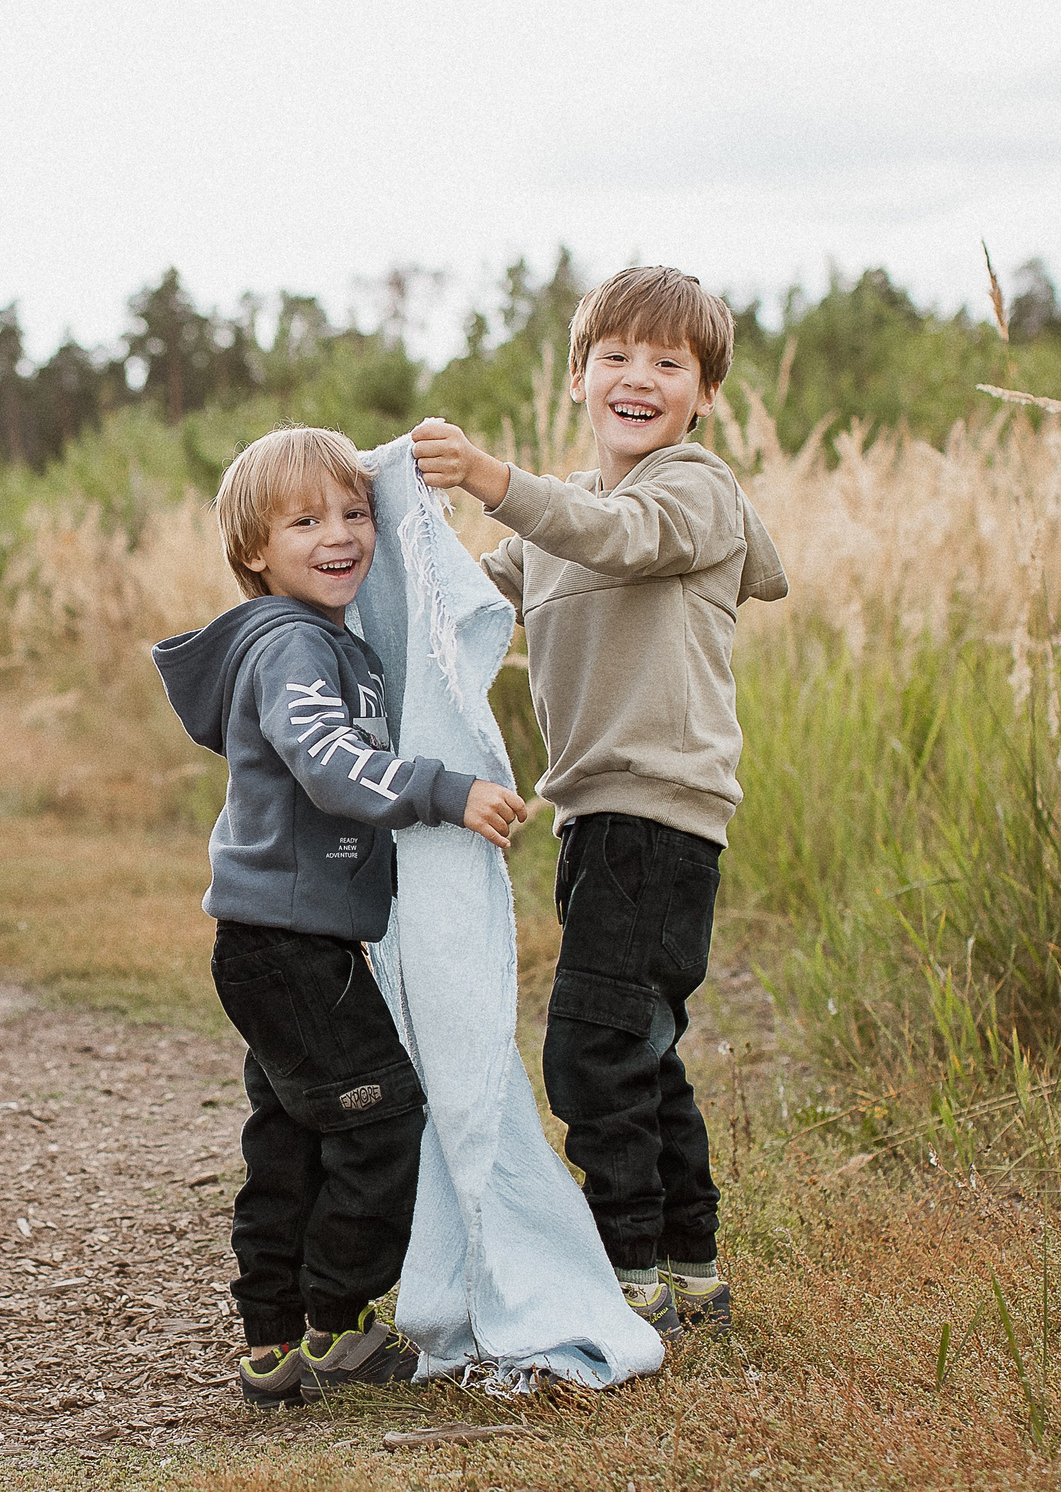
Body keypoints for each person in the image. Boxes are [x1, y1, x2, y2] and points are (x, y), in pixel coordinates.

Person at [411, 265, 789, 1340]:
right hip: (593, 820)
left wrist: (491, 475)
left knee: (589, 1047)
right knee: (638, 1044)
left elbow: (617, 537)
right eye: (616, 356)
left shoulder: (695, 489)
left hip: (660, 819)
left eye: (668, 362)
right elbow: (478, 606)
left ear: (702, 391)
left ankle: (627, 1268)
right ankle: (689, 1263)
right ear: (579, 374)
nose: (639, 377)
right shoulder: (556, 521)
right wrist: (379, 541)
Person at [152, 426, 528, 1407]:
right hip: (286, 947)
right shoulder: (289, 649)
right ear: (253, 552)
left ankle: (270, 1339)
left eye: (356, 511)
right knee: (382, 1121)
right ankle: (333, 1322)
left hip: (277, 940)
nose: (341, 533)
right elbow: (326, 764)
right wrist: (447, 791)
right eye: (307, 519)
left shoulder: (326, 640)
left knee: (288, 1138)